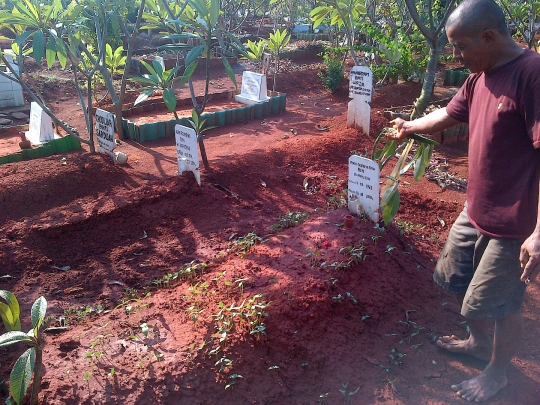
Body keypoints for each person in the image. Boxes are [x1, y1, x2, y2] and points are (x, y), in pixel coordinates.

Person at [390, 0, 540, 402]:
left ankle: (498, 371)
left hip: (513, 223)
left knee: (503, 302)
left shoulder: (532, 74)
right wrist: (409, 125)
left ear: (489, 37)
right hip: (474, 210)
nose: (455, 56)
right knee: (458, 279)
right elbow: (447, 114)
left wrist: (539, 233)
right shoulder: (480, 77)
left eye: (460, 46)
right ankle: (477, 342)